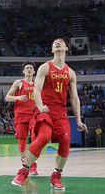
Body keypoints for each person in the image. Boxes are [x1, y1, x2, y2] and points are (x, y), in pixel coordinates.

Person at [11, 38, 88, 191]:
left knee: (66, 139)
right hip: (45, 108)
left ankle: (56, 177)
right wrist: (40, 106)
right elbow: (36, 90)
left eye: (61, 42)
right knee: (44, 136)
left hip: (60, 111)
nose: (57, 43)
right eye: (54, 43)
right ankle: (24, 171)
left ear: (66, 48)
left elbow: (74, 98)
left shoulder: (70, 73)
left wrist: (78, 119)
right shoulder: (45, 67)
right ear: (52, 50)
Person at [5, 62, 38, 175]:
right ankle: (25, 163)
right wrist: (18, 97)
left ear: (34, 71)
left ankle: (33, 165)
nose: (29, 69)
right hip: (20, 116)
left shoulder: (37, 84)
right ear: (23, 71)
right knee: (22, 144)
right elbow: (7, 97)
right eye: (27, 68)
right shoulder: (19, 83)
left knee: (35, 138)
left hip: (34, 115)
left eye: (31, 68)